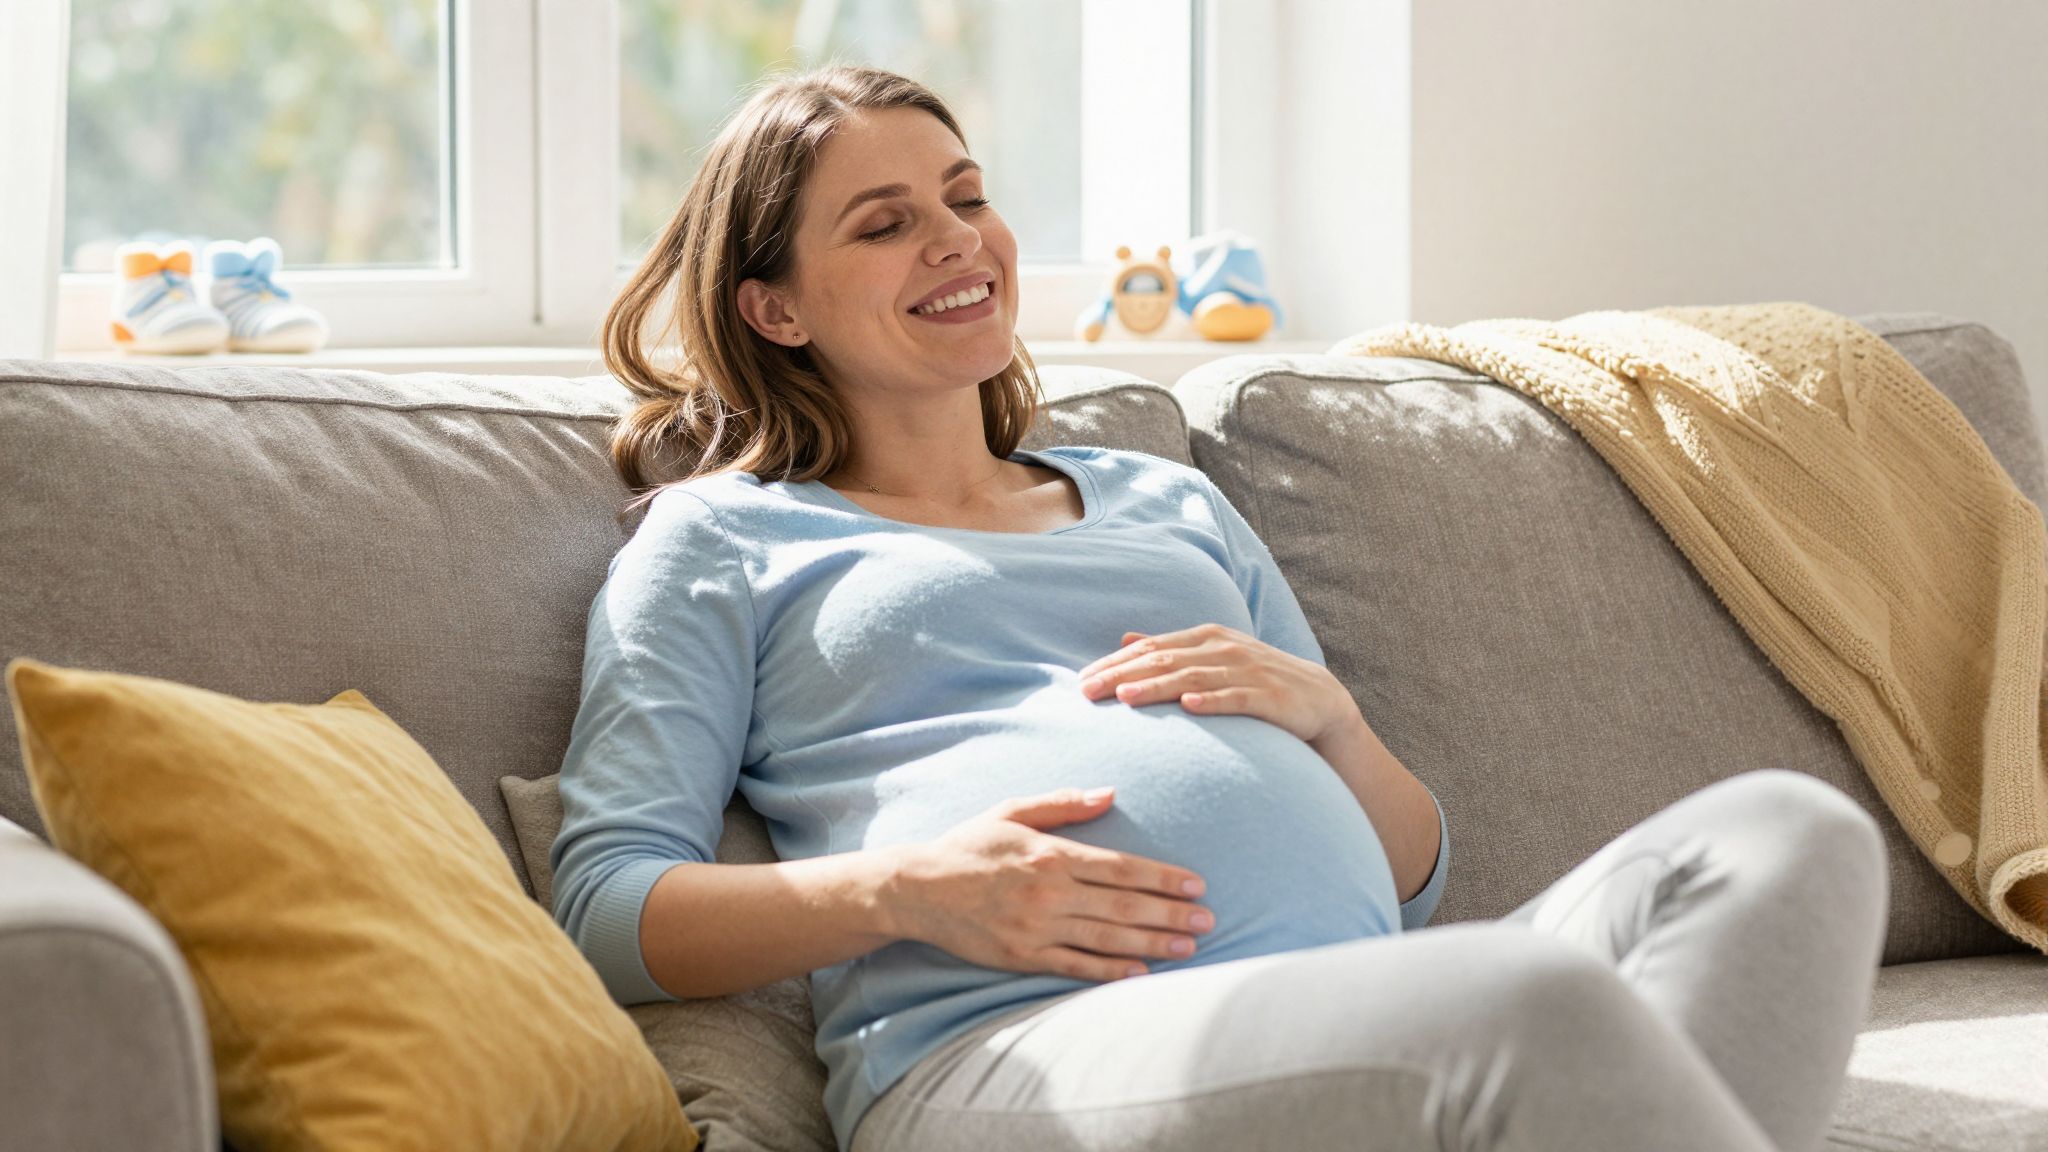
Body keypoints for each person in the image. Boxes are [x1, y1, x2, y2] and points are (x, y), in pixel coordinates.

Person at [551, 63, 1890, 1152]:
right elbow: (606, 907)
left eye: (965, 197)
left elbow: (1415, 888)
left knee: (1789, 834)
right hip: (1008, 1051)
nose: (957, 239)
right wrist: (907, 892)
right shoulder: (722, 537)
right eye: (885, 221)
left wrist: (1340, 729)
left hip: (1340, 993)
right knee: (1528, 1000)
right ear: (773, 306)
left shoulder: (1161, 497)